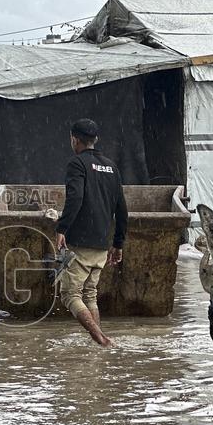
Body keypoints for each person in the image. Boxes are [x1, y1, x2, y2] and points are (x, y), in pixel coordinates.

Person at [55, 118, 128, 348]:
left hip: (81, 241)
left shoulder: (77, 164)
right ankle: (99, 344)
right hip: (101, 242)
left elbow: (75, 198)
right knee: (89, 294)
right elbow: (121, 208)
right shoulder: (111, 167)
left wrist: (61, 228)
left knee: (69, 295)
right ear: (95, 140)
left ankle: (101, 339)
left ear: (74, 139)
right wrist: (118, 244)